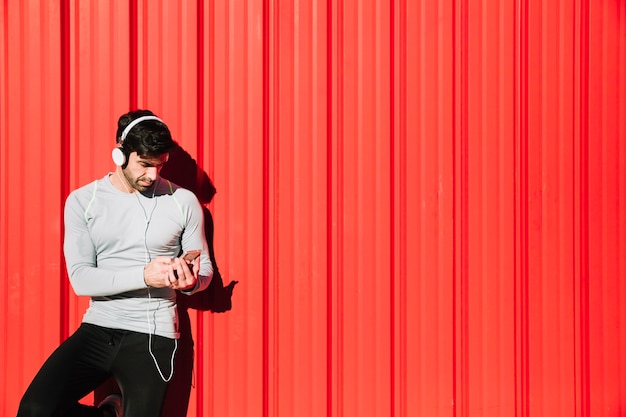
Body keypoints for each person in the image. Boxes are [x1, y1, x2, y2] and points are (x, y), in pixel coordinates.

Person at [17, 109, 213, 417]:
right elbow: (81, 279)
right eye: (145, 164)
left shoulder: (182, 201)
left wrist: (191, 283)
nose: (152, 175)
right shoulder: (84, 201)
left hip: (153, 334)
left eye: (159, 165)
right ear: (120, 155)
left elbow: (205, 270)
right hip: (99, 327)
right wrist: (145, 276)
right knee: (34, 410)